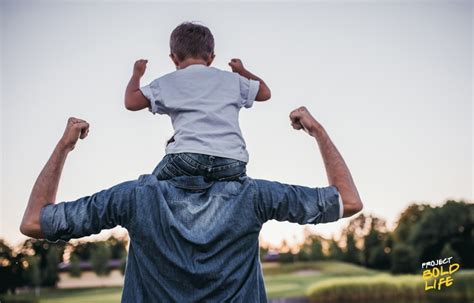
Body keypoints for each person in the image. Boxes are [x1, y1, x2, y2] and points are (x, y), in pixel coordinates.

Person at [20, 106, 363, 302]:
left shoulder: (136, 197)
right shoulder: (254, 196)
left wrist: (64, 147)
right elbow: (348, 200)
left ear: (172, 148)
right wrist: (318, 131)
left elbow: (35, 222)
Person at [124, 22, 271, 181]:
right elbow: (265, 92)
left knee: (151, 188)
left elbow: (131, 102)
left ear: (174, 58)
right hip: (233, 161)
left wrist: (137, 74)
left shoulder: (168, 82)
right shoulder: (232, 80)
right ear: (211, 57)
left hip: (188, 158)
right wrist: (241, 71)